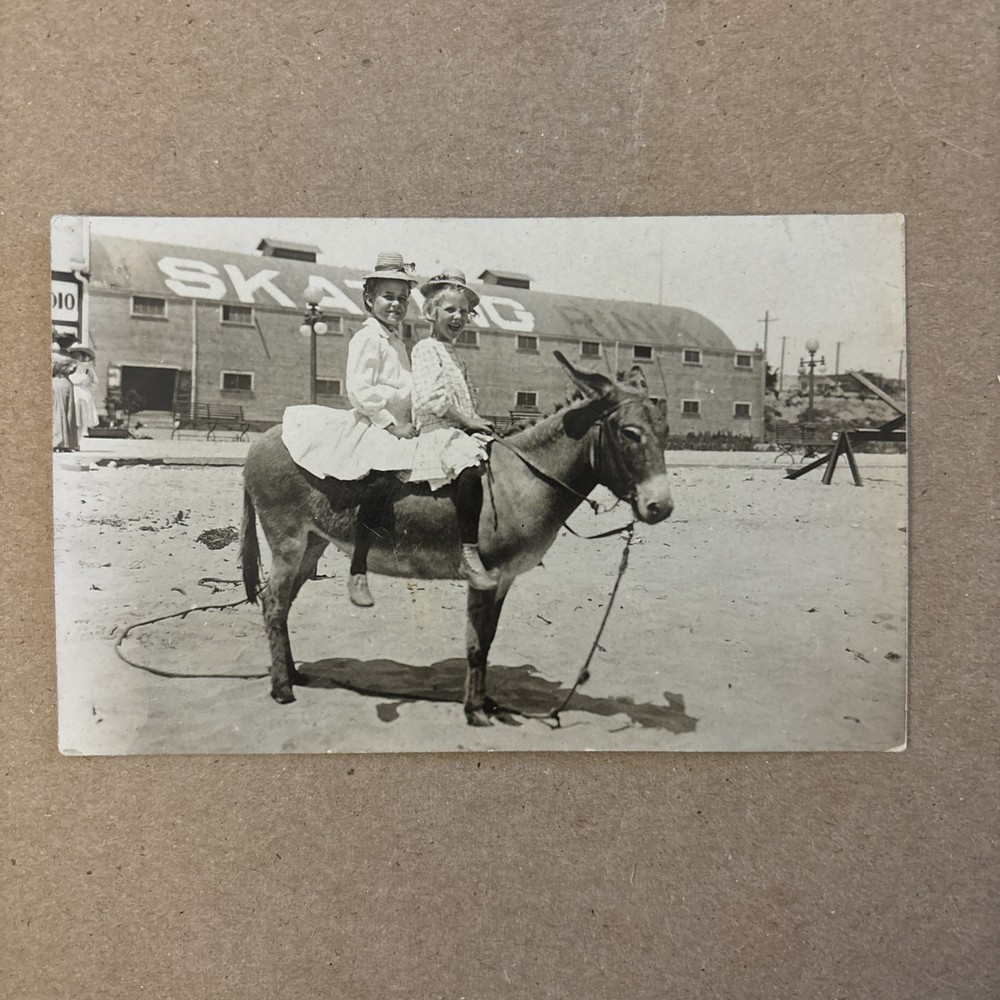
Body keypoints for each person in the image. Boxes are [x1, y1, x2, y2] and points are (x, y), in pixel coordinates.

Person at [281, 251, 419, 607]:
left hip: (402, 424)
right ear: (369, 299)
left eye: (402, 299)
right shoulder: (368, 338)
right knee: (380, 478)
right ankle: (359, 569)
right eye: (388, 297)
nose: (396, 305)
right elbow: (359, 389)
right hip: (376, 423)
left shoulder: (396, 340)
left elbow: (404, 387)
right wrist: (391, 424)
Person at [408, 270, 499, 590]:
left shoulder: (455, 355)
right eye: (450, 310)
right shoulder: (425, 349)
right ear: (431, 313)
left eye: (463, 311)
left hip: (460, 430)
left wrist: (477, 424)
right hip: (439, 431)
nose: (458, 317)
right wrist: (470, 422)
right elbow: (434, 398)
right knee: (470, 473)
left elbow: (466, 402)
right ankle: (468, 553)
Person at [51, 331, 79, 452]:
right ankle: (68, 443)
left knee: (56, 411)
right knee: (68, 412)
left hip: (55, 382)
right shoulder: (71, 359)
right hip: (67, 384)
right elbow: (73, 371)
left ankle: (57, 441)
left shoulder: (53, 356)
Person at [67, 342, 100, 436]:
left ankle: (78, 440)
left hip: (84, 394)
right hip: (72, 392)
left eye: (79, 355)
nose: (77, 357)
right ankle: (71, 440)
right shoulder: (69, 367)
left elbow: (95, 382)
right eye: (75, 355)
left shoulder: (87, 369)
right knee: (73, 417)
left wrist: (86, 386)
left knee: (82, 418)